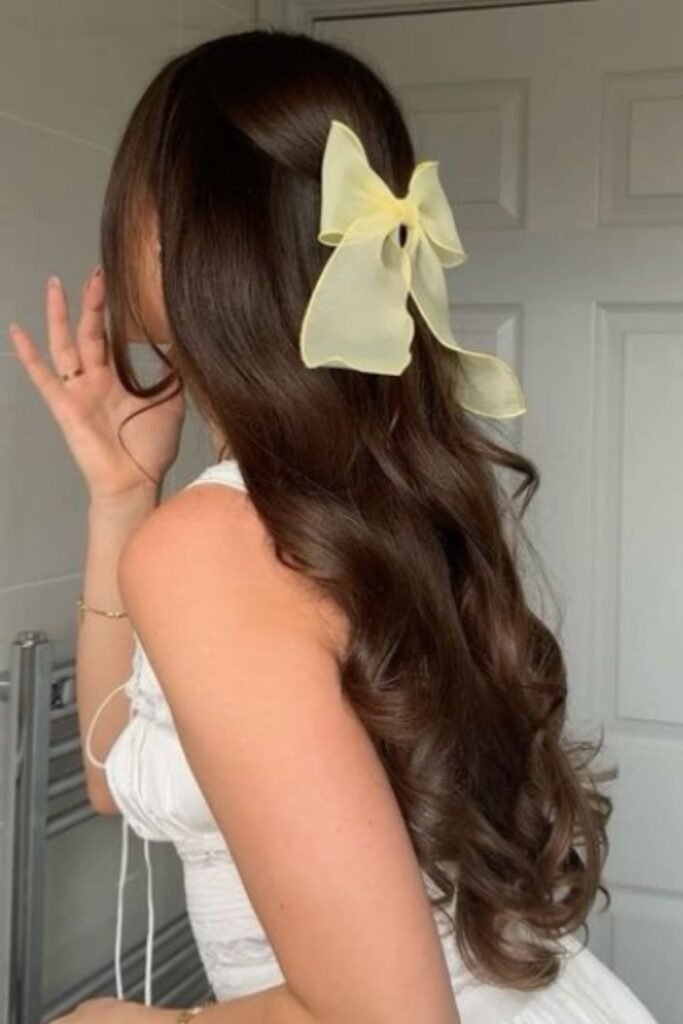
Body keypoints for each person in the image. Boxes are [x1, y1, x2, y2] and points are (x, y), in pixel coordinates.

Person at [7, 27, 660, 1024]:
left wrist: (141, 1021)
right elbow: (114, 772)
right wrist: (121, 495)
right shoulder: (380, 494)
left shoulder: (222, 543)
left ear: (183, 233)